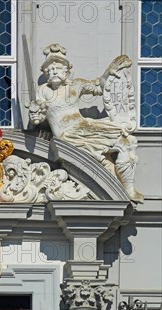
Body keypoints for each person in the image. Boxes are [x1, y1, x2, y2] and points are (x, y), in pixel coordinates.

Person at [28, 44, 143, 202]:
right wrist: (35, 113)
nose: (53, 72)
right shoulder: (43, 91)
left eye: (57, 68)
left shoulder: (76, 85)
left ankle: (128, 189)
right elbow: (38, 119)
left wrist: (109, 71)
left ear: (67, 70)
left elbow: (98, 86)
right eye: (49, 69)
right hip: (67, 135)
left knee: (128, 141)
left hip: (84, 127)